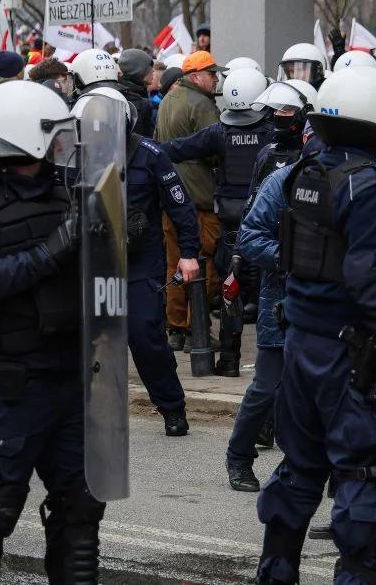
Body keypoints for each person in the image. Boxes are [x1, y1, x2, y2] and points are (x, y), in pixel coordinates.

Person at [256, 67, 376, 584]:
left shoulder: (309, 171)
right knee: (360, 470)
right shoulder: (371, 186)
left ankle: (275, 572)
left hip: (302, 341)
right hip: (350, 352)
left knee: (300, 467)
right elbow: (368, 278)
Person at [0, 81, 107, 581]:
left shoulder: (65, 188)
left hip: (72, 377)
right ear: (27, 136)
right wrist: (49, 253)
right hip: (10, 386)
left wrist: (113, 240)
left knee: (82, 510)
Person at [81, 86, 202, 437]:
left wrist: (189, 253)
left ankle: (172, 408)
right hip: (93, 260)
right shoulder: (77, 154)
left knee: (144, 336)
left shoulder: (151, 155)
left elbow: (180, 207)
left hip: (138, 261)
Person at [225, 80, 320, 492]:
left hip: (325, 304)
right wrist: (288, 258)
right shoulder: (280, 179)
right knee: (266, 385)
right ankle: (239, 457)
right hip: (280, 297)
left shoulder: (348, 180)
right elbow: (249, 234)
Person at [161, 67, 272, 376]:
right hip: (265, 224)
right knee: (267, 291)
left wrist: (142, 148)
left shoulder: (219, 132)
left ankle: (230, 360)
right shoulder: (273, 133)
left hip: (230, 225)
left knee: (229, 290)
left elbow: (179, 148)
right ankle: (269, 361)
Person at [155, 50, 227, 351]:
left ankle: (176, 328)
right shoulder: (202, 104)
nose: (216, 78)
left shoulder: (169, 100)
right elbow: (216, 148)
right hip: (198, 198)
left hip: (169, 196)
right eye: (212, 74)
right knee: (204, 263)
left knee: (174, 263)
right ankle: (197, 329)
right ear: (196, 77)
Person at [117, 49, 158, 137]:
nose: (153, 71)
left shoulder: (137, 93)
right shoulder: (136, 101)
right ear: (139, 71)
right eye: (149, 67)